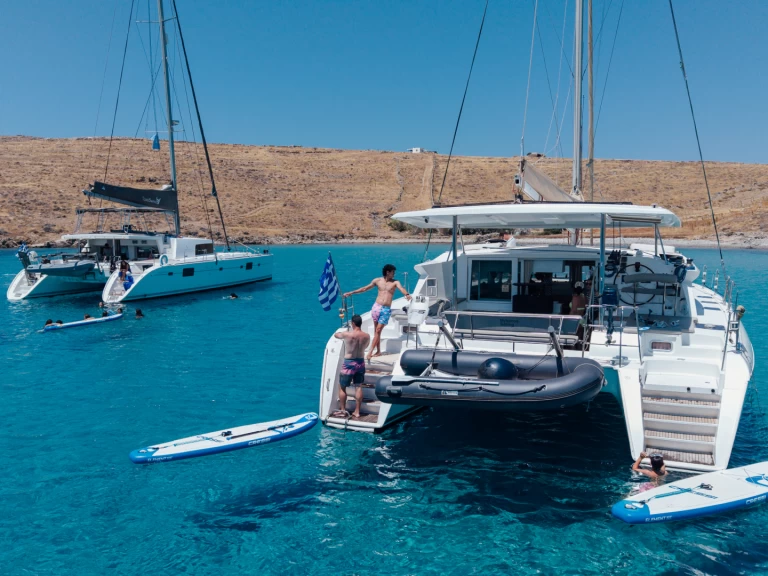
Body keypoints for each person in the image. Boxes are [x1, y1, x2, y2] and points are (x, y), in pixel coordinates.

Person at [343, 264, 411, 361]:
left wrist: (407, 294)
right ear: (388, 272)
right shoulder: (377, 281)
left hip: (385, 309)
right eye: (393, 272)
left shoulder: (395, 282)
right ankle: (378, 351)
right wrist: (351, 292)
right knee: (376, 332)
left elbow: (401, 288)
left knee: (378, 330)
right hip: (376, 307)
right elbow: (364, 288)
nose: (394, 274)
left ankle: (370, 352)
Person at [333, 314, 370, 419]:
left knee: (343, 387)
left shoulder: (347, 335)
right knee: (358, 386)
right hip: (360, 362)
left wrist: (341, 332)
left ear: (353, 323)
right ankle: (357, 411)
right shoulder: (366, 336)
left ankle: (343, 410)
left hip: (349, 363)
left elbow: (337, 335)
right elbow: (366, 346)